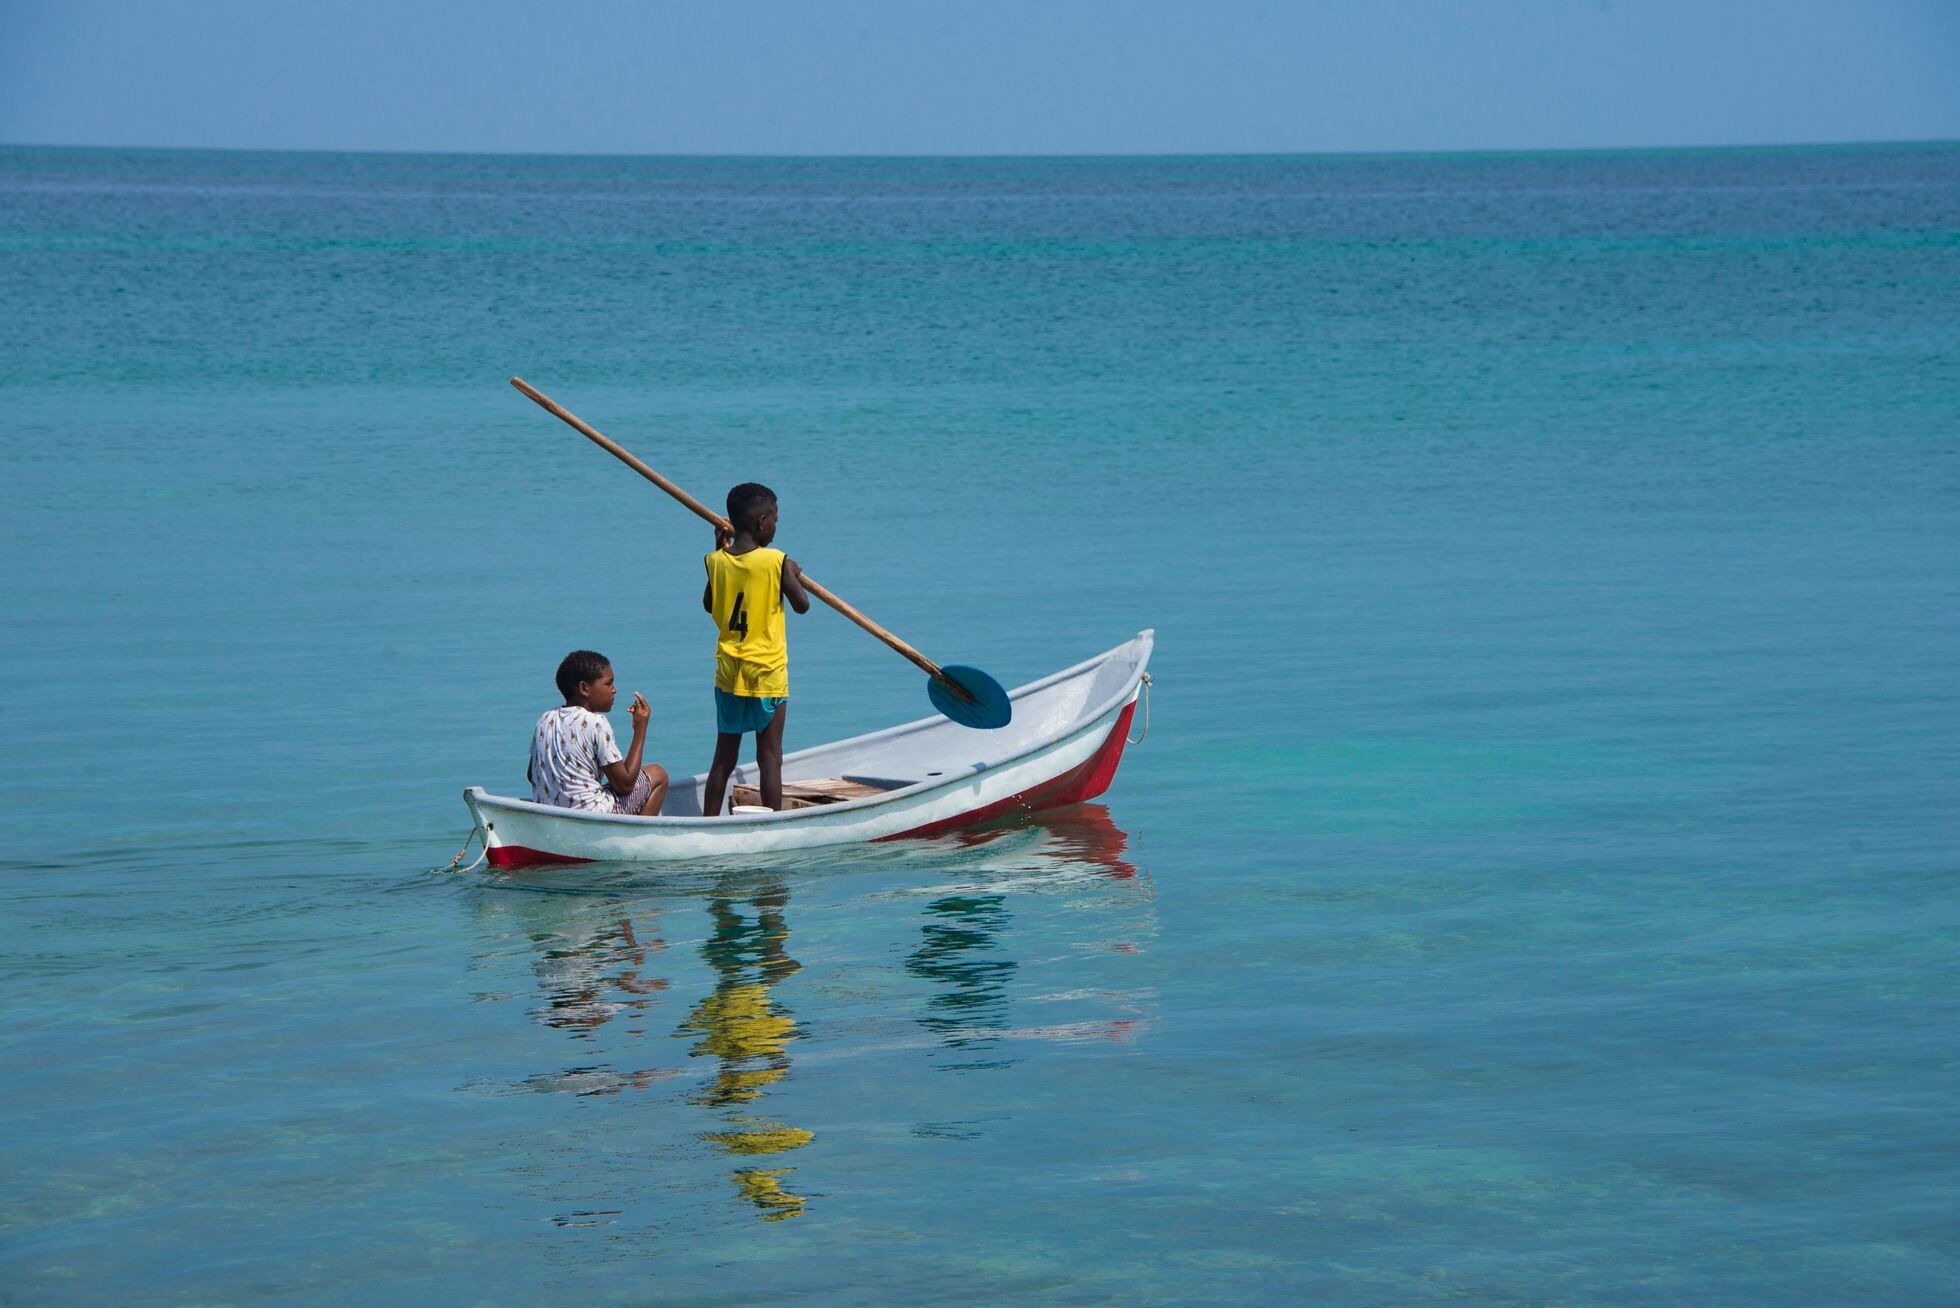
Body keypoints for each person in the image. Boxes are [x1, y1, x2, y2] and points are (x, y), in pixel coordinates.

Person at [701, 483, 811, 814]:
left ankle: (708, 822)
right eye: (775, 519)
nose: (776, 526)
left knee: (724, 755)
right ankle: (773, 823)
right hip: (766, 672)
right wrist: (790, 572)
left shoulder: (715, 561)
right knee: (770, 756)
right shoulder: (776, 562)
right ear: (762, 521)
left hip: (729, 673)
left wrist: (719, 552)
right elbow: (802, 605)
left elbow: (709, 604)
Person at [529, 650, 670, 816]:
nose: (614, 690)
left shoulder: (545, 719)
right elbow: (625, 786)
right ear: (584, 688)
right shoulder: (596, 722)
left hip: (551, 813)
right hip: (593, 815)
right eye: (608, 683)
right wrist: (640, 729)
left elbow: (531, 774)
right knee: (658, 774)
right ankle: (638, 839)